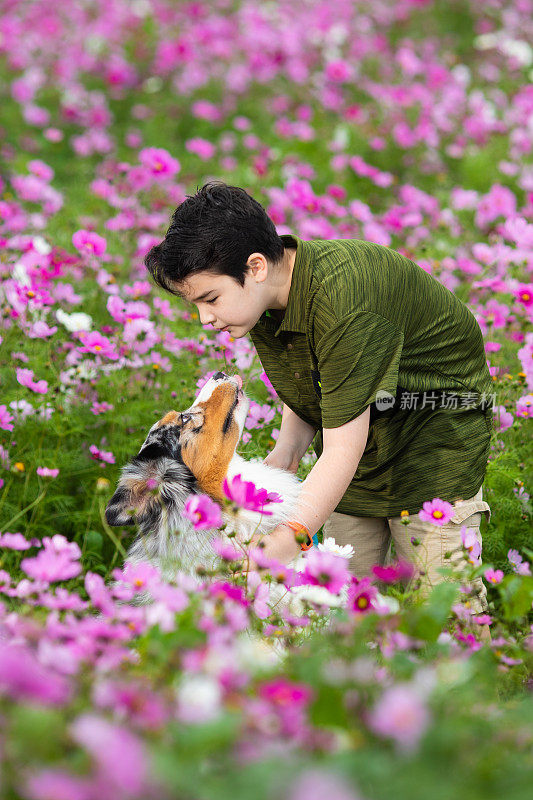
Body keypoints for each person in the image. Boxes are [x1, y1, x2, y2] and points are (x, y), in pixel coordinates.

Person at [144, 181, 493, 614]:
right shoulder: (268, 298)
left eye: (210, 299)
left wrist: (289, 537)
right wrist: (288, 451)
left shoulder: (344, 301)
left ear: (255, 267)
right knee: (344, 607)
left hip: (433, 440)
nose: (205, 319)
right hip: (359, 442)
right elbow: (313, 374)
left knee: (444, 608)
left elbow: (343, 446)